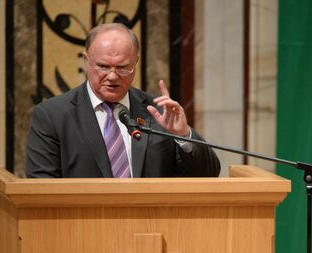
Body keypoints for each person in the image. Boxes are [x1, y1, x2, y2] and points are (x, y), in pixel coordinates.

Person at [26, 23, 220, 178]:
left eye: (122, 67)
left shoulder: (158, 111)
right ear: (86, 61)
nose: (112, 76)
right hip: (83, 224)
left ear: (135, 62)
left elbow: (209, 174)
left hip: (151, 224)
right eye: (103, 66)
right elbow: (41, 187)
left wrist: (183, 135)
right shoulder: (52, 115)